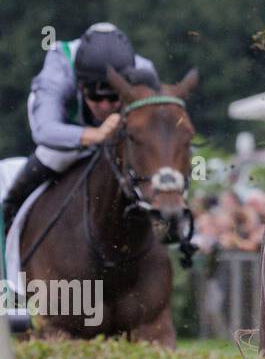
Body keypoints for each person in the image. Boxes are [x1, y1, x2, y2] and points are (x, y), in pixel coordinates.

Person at [2, 23, 158, 237]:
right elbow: (45, 130)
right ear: (80, 86)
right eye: (95, 96)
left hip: (119, 132)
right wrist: (96, 135)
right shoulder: (60, 67)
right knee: (53, 155)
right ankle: (9, 211)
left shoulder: (143, 71)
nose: (104, 106)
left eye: (114, 97)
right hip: (64, 127)